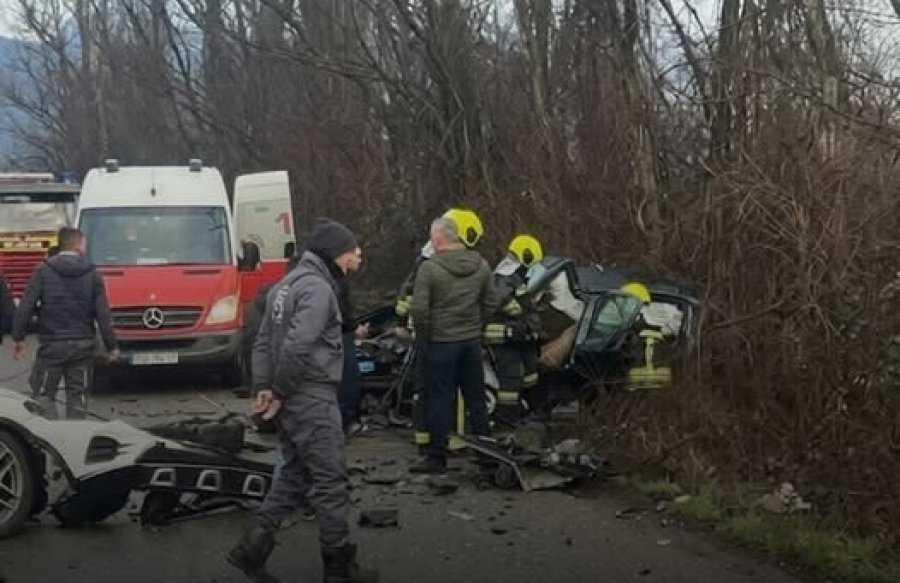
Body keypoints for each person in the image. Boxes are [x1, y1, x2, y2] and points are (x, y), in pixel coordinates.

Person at [227, 218, 377, 583]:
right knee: (330, 479)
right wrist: (277, 392)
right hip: (311, 396)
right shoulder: (319, 289)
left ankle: (251, 549)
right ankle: (338, 568)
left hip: (293, 397)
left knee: (295, 474)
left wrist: (265, 386)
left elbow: (263, 341)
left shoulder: (285, 285)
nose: (357, 256)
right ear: (335, 252)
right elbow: (297, 346)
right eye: (351, 250)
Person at [408, 216, 499, 474]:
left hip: (440, 344)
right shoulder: (481, 265)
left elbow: (419, 309)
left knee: (439, 401)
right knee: (476, 400)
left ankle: (437, 459)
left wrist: (424, 337)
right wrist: (476, 325)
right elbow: (492, 302)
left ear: (438, 239)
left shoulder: (429, 269)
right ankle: (487, 459)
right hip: (470, 344)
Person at [394, 208, 485, 448]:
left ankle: (432, 448)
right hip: (463, 339)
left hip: (434, 339)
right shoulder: (476, 264)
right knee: (465, 396)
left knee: (432, 392)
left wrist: (409, 328)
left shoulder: (426, 263)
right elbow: (489, 301)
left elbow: (411, 301)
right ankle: (464, 445)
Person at [11, 227, 119, 419]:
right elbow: (103, 313)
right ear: (78, 245)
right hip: (82, 346)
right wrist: (112, 346)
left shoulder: (42, 271)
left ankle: (48, 433)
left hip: (52, 346)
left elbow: (26, 306)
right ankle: (75, 434)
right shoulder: (92, 273)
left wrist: (18, 337)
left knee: (43, 396)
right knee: (78, 397)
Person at [483, 234, 544, 414]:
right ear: (526, 256)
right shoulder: (503, 277)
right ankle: (506, 414)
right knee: (511, 375)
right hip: (504, 339)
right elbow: (498, 304)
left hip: (517, 337)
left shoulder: (515, 277)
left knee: (529, 371)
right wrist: (517, 316)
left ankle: (528, 407)